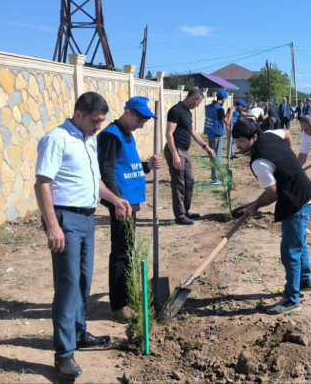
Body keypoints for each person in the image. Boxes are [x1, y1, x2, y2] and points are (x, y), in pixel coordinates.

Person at [34, 92, 130, 379]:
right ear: (78, 114)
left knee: (83, 281)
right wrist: (53, 225)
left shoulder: (88, 140)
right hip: (66, 219)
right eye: (95, 121)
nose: (98, 126)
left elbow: (94, 180)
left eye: (101, 121)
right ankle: (64, 355)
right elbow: (42, 184)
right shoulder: (57, 139)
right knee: (67, 286)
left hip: (87, 218)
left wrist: (115, 199)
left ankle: (79, 333)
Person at [233, 117, 311, 314]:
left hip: (297, 202)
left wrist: (255, 206)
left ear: (255, 137)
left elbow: (272, 194)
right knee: (298, 241)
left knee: (290, 251)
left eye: (242, 141)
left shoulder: (259, 162)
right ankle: (304, 280)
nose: (238, 145)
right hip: (307, 193)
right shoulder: (270, 134)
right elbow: (287, 134)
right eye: (236, 141)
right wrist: (287, 161)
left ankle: (291, 300)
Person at [97, 96, 162, 323]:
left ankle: (127, 296)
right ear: (127, 112)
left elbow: (127, 166)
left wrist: (147, 166)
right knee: (121, 252)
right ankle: (119, 306)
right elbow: (106, 171)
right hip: (121, 202)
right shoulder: (111, 135)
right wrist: (116, 201)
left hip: (129, 201)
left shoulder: (126, 134)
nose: (142, 124)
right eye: (140, 119)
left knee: (128, 250)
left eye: (145, 120)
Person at [165, 88, 216, 225]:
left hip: (184, 151)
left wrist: (205, 147)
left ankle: (186, 210)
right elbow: (169, 134)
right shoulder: (175, 110)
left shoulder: (187, 112)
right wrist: (175, 154)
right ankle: (180, 215)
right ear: (193, 98)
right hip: (176, 150)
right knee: (178, 183)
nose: (198, 106)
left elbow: (193, 131)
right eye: (198, 102)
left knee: (190, 180)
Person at [204, 90, 233, 184]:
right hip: (217, 133)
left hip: (210, 132)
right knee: (217, 157)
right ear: (223, 98)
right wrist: (231, 112)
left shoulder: (209, 107)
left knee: (212, 155)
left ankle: (214, 177)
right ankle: (216, 178)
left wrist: (227, 113)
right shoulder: (219, 109)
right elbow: (227, 122)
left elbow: (220, 117)